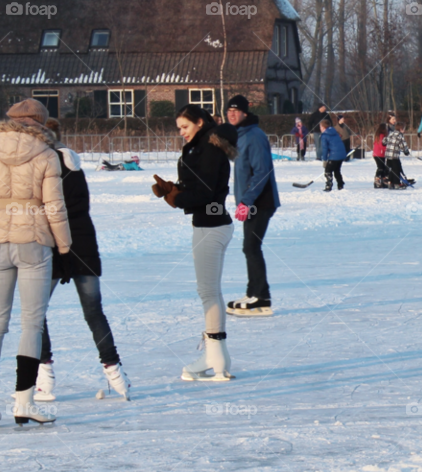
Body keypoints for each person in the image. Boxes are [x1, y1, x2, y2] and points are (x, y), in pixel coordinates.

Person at [0, 98, 72, 428]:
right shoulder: (47, 154)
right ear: (39, 122)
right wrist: (64, 250)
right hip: (33, 242)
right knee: (32, 324)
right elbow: (54, 207)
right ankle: (23, 402)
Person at [34, 119, 131, 401]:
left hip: (54, 245)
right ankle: (116, 374)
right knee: (93, 311)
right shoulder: (72, 163)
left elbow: (51, 210)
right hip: (83, 244)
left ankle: (44, 378)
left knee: (36, 311)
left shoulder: (44, 166)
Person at [152, 104, 238, 381]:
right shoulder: (203, 147)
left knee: (208, 292)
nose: (182, 133)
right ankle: (217, 356)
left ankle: (215, 357)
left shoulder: (209, 149)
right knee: (210, 291)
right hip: (210, 225)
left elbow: (206, 192)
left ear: (199, 123)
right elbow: (200, 186)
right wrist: (175, 189)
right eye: (179, 128)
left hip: (210, 227)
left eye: (185, 127)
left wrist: (178, 198)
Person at [225, 95, 280, 317]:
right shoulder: (240, 135)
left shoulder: (254, 135)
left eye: (236, 110)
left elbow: (261, 171)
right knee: (249, 247)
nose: (231, 114)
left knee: (251, 247)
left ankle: (261, 296)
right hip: (250, 201)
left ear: (245, 113)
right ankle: (252, 293)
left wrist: (246, 201)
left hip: (260, 201)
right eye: (229, 110)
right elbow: (240, 163)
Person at [319, 119, 347, 191]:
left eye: (320, 126)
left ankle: (329, 185)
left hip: (334, 155)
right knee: (337, 170)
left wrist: (324, 160)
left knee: (328, 171)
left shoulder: (324, 135)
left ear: (323, 127)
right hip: (341, 154)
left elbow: (325, 149)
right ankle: (340, 184)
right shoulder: (335, 132)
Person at [384, 121, 412, 189]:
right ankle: (397, 183)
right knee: (396, 169)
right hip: (394, 156)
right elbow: (403, 145)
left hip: (388, 156)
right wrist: (406, 152)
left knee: (390, 169)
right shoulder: (400, 136)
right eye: (404, 129)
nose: (404, 130)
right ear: (401, 129)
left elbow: (384, 141)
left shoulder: (391, 134)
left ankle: (390, 182)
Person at [372, 118, 391, 188]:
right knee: (380, 167)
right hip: (379, 154)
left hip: (380, 154)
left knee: (383, 167)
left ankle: (383, 180)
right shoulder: (381, 136)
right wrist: (388, 149)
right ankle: (377, 179)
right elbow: (381, 145)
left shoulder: (380, 135)